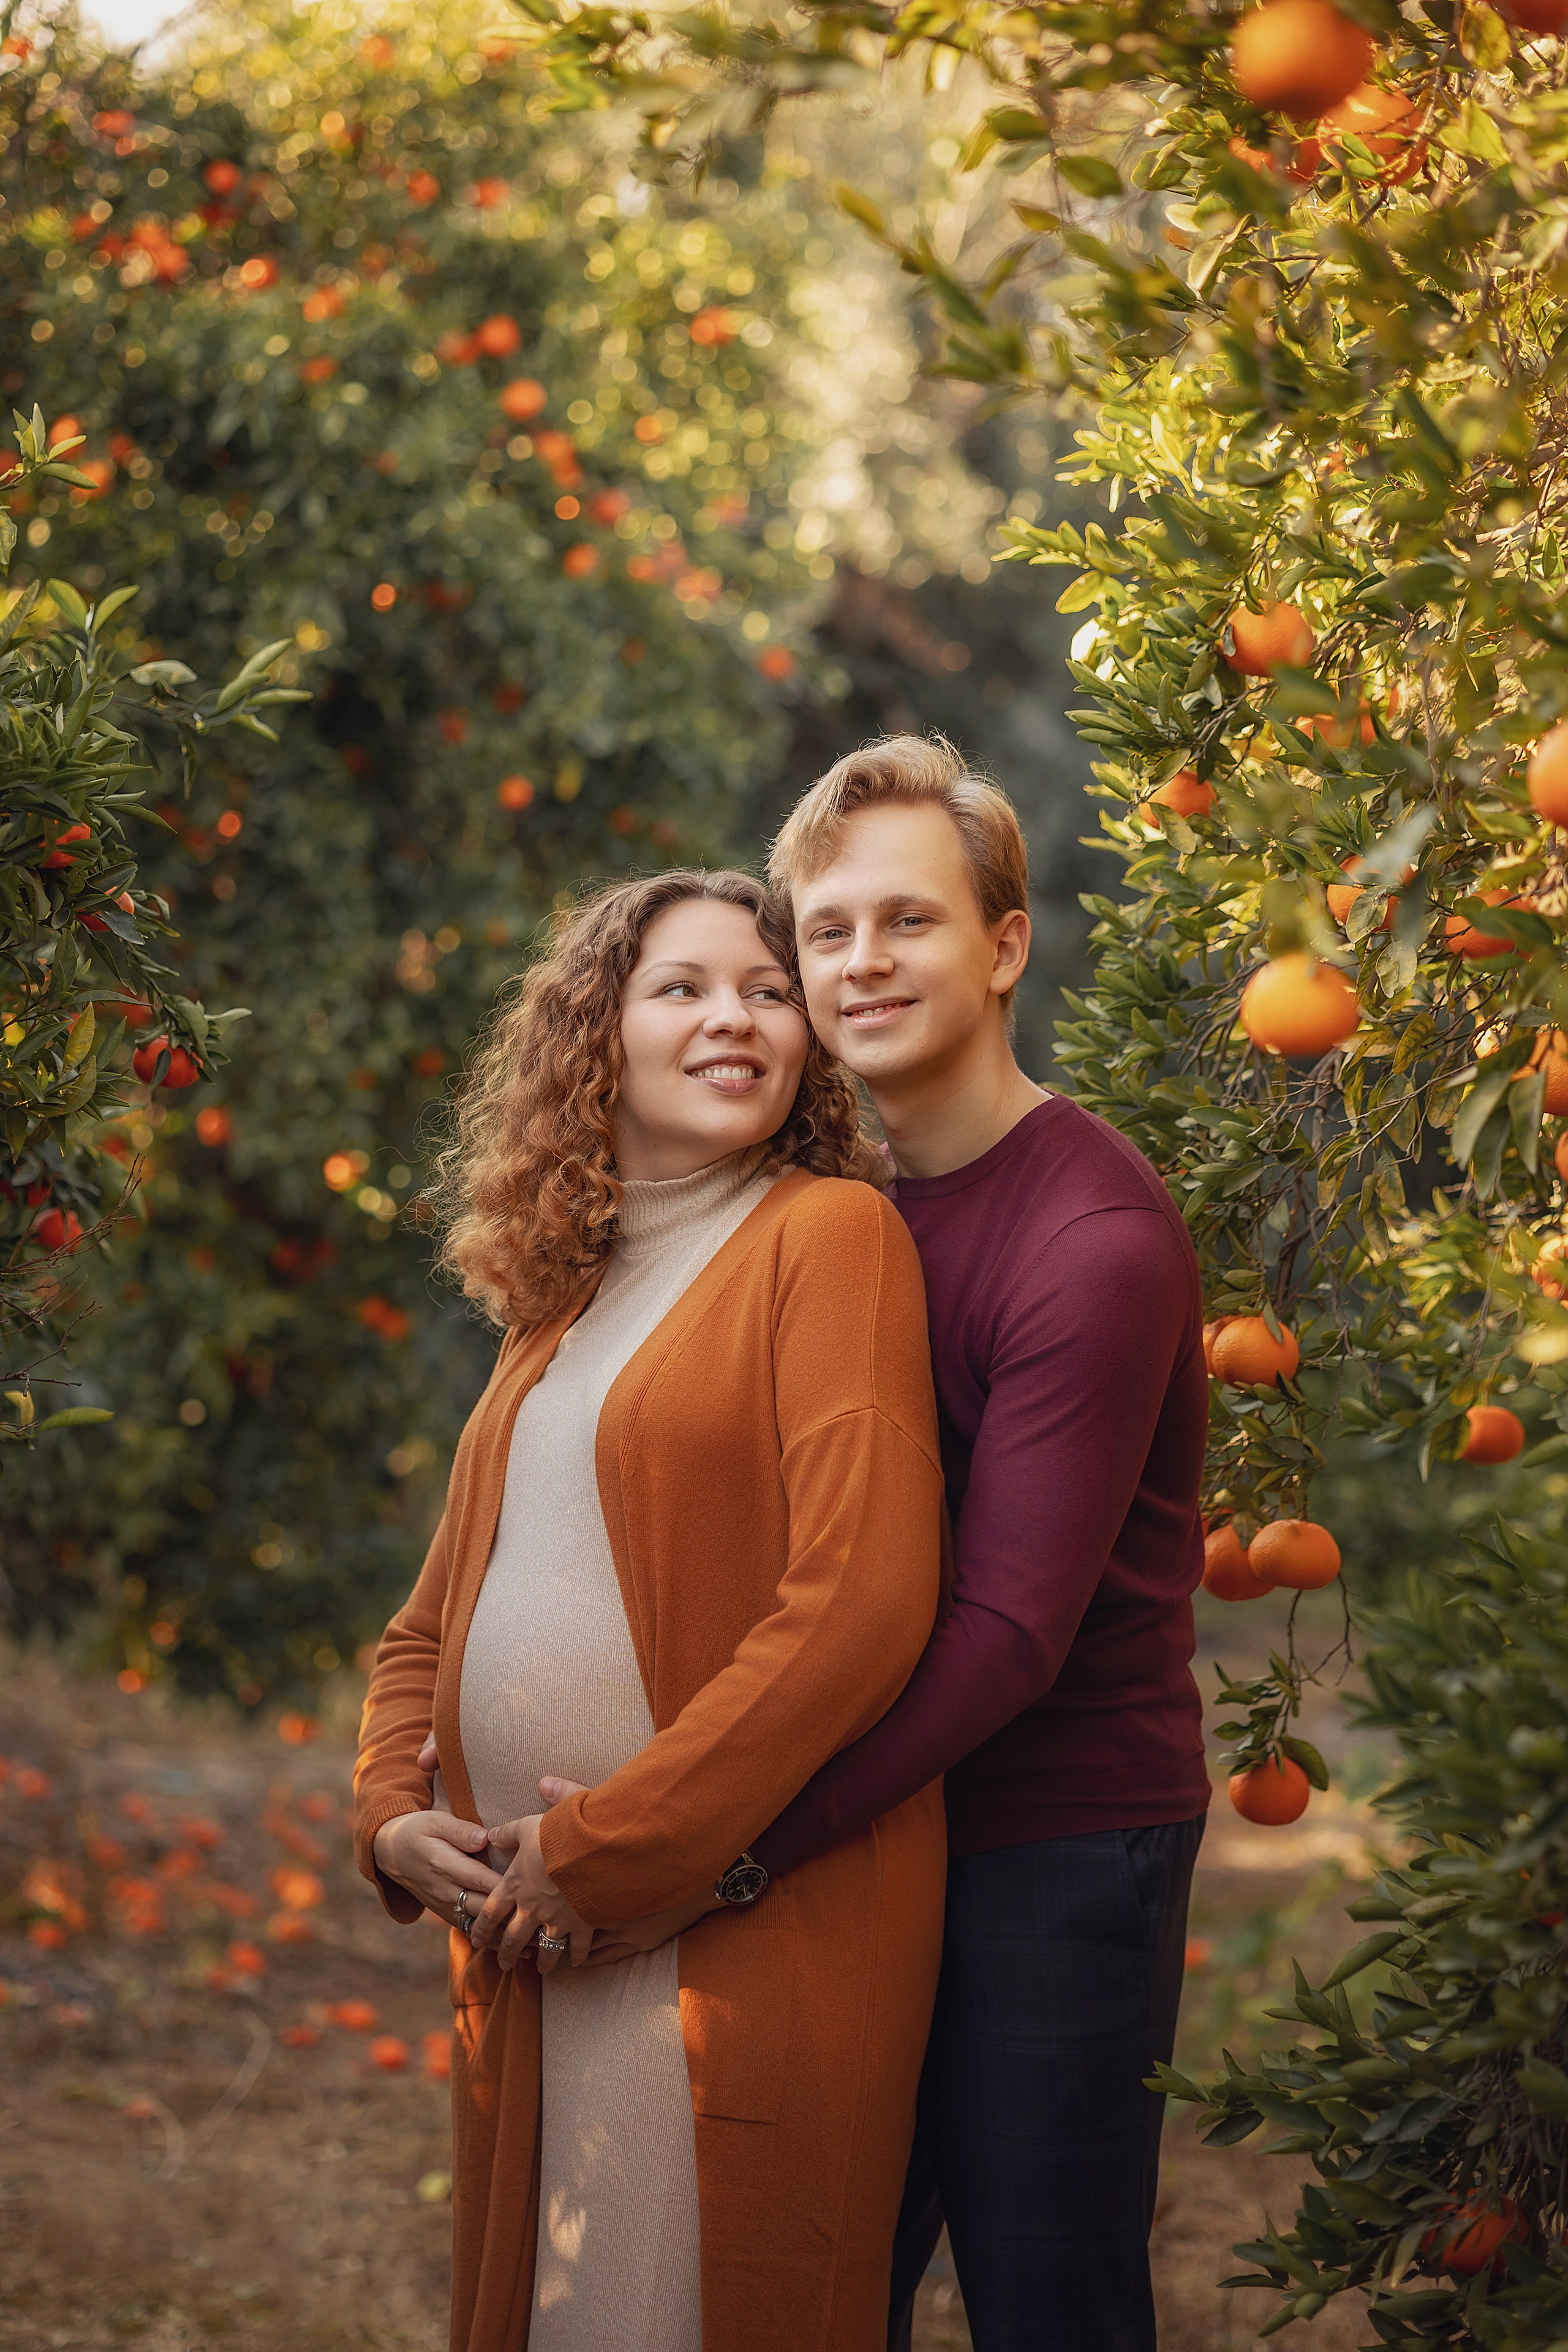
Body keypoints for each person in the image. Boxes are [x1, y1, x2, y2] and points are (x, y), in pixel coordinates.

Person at [352, 868, 948, 2352]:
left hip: (722, 1921)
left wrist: (607, 1853)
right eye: (681, 988)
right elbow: (429, 1621)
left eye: (765, 991)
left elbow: (860, 1600)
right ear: (597, 1034)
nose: (734, 1019)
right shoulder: (562, 1297)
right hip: (527, 1924)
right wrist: (385, 1815)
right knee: (562, 2310)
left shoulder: (828, 1238)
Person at [760, 736, 1212, 2352]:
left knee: (1050, 2303)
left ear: (1007, 943)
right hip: (873, 1820)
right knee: (815, 2281)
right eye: (827, 931)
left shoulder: (1090, 1234)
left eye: (910, 921)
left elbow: (1013, 1634)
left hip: (1054, 1836)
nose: (863, 963)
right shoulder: (810, 1204)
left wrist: (753, 1830)